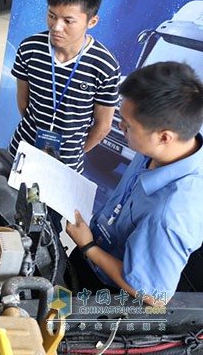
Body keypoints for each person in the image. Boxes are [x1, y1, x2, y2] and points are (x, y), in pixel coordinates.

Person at [66, 61, 203, 305]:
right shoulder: (161, 148)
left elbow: (154, 296)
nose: (120, 127)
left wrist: (88, 248)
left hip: (109, 292)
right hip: (95, 246)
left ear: (164, 137)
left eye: (128, 125)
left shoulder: (169, 215)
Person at [9, 0, 121, 173]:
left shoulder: (105, 66)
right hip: (21, 150)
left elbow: (103, 125)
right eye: (52, 15)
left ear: (92, 21)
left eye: (68, 21)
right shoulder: (29, 48)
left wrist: (75, 152)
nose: (56, 27)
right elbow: (23, 102)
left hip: (66, 166)